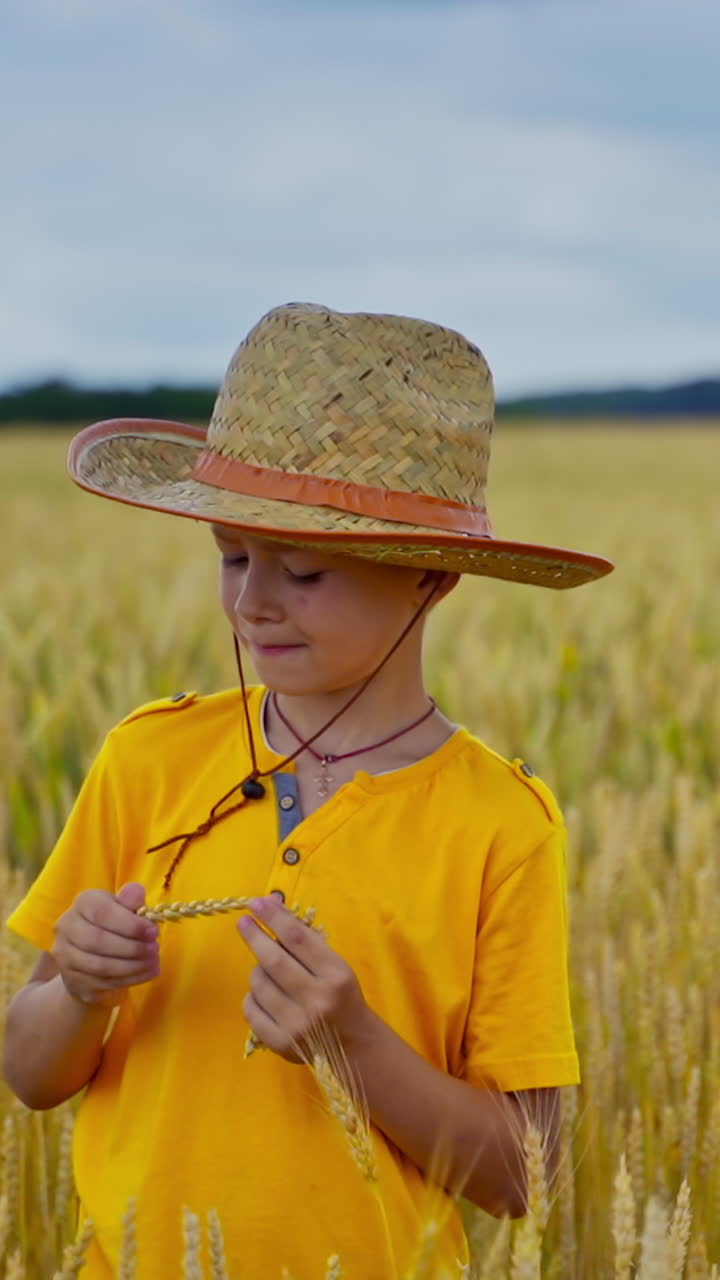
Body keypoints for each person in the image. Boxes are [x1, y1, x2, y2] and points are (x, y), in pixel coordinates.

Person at [3, 302, 613, 1279]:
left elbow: (524, 1176)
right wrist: (77, 985)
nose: (251, 602)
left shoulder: (501, 824)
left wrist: (355, 1043)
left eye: (302, 569)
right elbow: (31, 1073)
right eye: (232, 558)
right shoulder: (148, 757)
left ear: (431, 576)